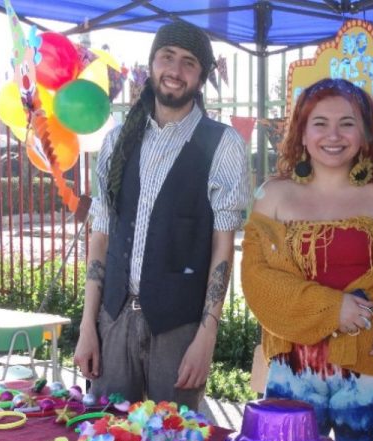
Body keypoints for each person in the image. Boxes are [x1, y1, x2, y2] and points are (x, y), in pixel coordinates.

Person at [241, 78, 373, 441]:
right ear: (301, 130)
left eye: (347, 123)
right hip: (293, 366)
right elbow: (256, 276)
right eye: (320, 123)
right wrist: (332, 308)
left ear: (365, 133)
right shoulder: (272, 193)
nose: (334, 135)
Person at [74, 21, 250, 413]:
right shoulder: (118, 140)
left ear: (201, 77)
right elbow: (100, 235)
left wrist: (206, 339)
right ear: (152, 64)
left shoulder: (221, 144)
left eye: (189, 63)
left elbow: (223, 248)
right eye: (167, 57)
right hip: (114, 318)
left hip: (179, 328)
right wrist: (89, 325)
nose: (175, 70)